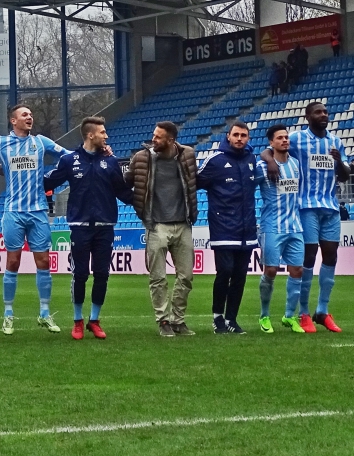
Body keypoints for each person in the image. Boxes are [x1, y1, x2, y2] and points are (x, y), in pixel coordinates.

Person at [0, 104, 71, 335]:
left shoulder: (41, 142)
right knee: (12, 262)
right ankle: (8, 314)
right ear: (13, 121)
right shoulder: (1, 144)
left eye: (31, 114)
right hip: (13, 211)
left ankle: (44, 313)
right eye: (24, 115)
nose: (30, 117)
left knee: (44, 262)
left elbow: (68, 155)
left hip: (39, 210)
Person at [43, 115, 134, 340]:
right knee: (80, 274)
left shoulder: (111, 162)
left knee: (102, 274)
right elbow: (48, 181)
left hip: (105, 225)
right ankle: (77, 321)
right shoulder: (69, 160)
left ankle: (94, 320)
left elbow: (122, 191)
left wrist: (144, 201)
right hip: (80, 226)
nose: (106, 136)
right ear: (90, 134)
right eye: (103, 132)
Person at [275, 101, 350, 334]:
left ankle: (322, 310)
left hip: (330, 207)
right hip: (306, 206)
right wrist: (268, 160)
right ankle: (304, 312)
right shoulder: (296, 139)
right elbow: (272, 150)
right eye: (318, 112)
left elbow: (346, 175)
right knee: (308, 258)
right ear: (308, 116)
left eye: (326, 112)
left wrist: (338, 162)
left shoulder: (336, 142)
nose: (323, 115)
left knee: (331, 256)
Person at [127, 121, 198, 337]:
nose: (153, 140)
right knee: (158, 278)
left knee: (186, 276)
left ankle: (178, 319)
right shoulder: (141, 158)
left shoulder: (187, 155)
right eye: (154, 135)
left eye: (158, 137)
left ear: (171, 140)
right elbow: (125, 181)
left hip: (183, 224)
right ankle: (163, 320)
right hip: (156, 224)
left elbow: (194, 182)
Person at [197, 122, 260, 334]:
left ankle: (232, 319)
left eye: (244, 135)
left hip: (247, 228)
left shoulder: (252, 159)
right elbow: (194, 182)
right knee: (225, 271)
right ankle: (218, 317)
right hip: (223, 227)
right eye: (236, 135)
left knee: (241, 274)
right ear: (229, 136)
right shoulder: (215, 160)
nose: (240, 138)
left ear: (248, 138)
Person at [254, 125, 306, 333]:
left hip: (295, 225)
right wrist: (268, 159)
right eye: (280, 138)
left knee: (297, 270)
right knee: (271, 270)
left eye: (286, 137)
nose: (285, 140)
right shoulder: (262, 166)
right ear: (271, 142)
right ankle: (264, 316)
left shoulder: (295, 164)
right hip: (272, 226)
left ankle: (289, 316)